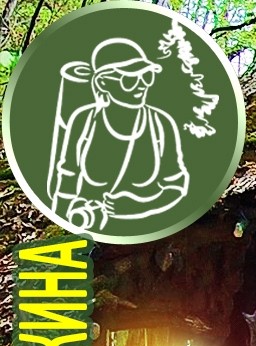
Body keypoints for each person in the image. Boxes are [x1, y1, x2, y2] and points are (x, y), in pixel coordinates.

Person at [49, 38, 190, 232]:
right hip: (90, 228)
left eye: (146, 76)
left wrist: (142, 206)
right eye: (129, 80)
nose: (141, 85)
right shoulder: (84, 121)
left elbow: (176, 185)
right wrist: (63, 223)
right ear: (103, 82)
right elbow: (67, 178)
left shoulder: (161, 124)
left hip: (149, 232)